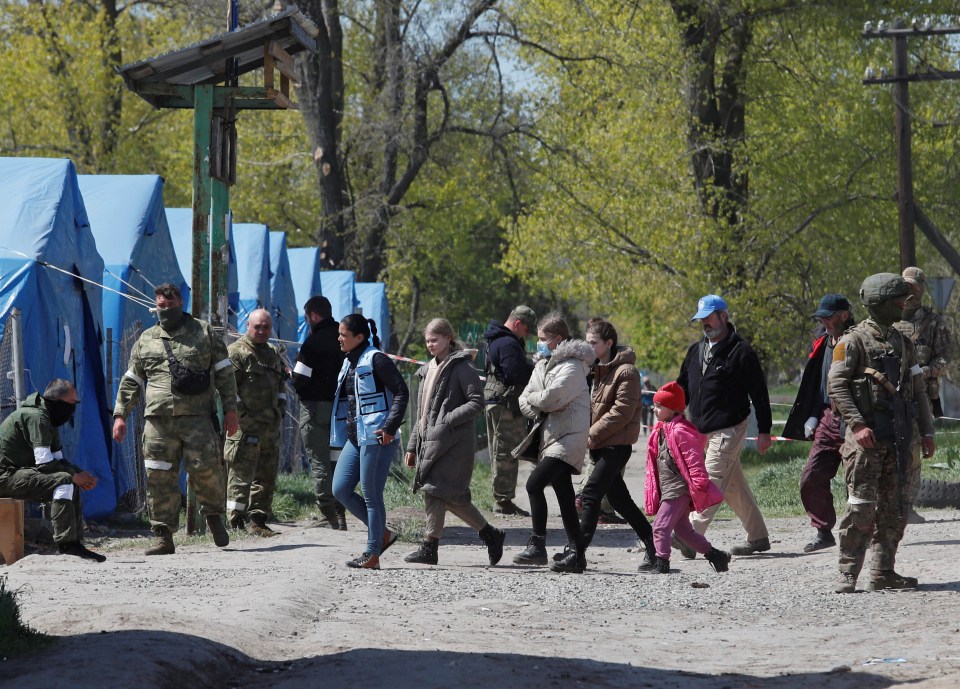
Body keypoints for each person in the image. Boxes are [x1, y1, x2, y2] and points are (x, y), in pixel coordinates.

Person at [828, 273, 936, 593]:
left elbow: (917, 391)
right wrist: (857, 425)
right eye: (898, 299)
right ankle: (848, 572)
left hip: (901, 438)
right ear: (879, 303)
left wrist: (927, 432)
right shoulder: (853, 341)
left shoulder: (903, 342)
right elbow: (836, 385)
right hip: (867, 441)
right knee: (861, 506)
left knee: (896, 507)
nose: (905, 303)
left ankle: (883, 572)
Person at [113, 283, 238, 555]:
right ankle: (163, 536)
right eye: (161, 305)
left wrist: (230, 410)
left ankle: (214, 518)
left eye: (170, 305)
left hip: (198, 418)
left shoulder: (203, 332)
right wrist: (121, 414)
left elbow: (225, 373)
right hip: (158, 421)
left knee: (207, 470)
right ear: (155, 305)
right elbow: (132, 380)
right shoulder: (146, 339)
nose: (165, 310)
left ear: (181, 303)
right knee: (159, 476)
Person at [402, 319, 506, 566]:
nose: (430, 345)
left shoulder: (462, 367)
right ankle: (490, 534)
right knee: (446, 495)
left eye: (435, 339)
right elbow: (422, 413)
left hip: (454, 443)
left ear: (448, 338)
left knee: (437, 490)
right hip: (432, 441)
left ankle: (430, 546)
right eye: (427, 340)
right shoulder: (428, 369)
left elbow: (476, 403)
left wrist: (447, 420)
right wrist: (411, 445)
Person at [676, 294, 772, 557]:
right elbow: (681, 386)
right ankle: (758, 536)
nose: (705, 323)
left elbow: (759, 393)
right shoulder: (695, 351)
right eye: (702, 319)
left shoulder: (742, 351)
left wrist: (764, 430)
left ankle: (690, 535)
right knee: (732, 485)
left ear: (723, 316)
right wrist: (668, 409)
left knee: (708, 479)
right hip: (700, 430)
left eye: (709, 317)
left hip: (730, 427)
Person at [511, 315, 594, 573]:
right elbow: (524, 400)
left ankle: (538, 546)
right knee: (565, 496)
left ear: (558, 339)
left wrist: (537, 400)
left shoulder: (573, 366)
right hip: (550, 437)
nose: (539, 344)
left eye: (543, 339)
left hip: (568, 437)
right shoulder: (542, 365)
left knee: (534, 484)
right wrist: (538, 400)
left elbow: (552, 399)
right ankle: (577, 554)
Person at [331, 314, 409, 569]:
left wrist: (389, 427)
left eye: (343, 334)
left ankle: (372, 553)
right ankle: (382, 534)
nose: (339, 338)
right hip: (356, 437)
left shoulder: (377, 359)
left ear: (359, 337)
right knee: (340, 489)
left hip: (377, 437)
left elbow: (401, 392)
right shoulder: (349, 360)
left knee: (372, 496)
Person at [576, 319, 655, 567]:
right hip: (599, 446)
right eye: (586, 342)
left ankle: (576, 554)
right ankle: (655, 547)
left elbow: (621, 411)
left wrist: (592, 433)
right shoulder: (596, 368)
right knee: (621, 502)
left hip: (615, 446)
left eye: (593, 343)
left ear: (608, 343)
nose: (588, 347)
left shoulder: (626, 372)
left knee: (589, 496)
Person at [0, 379, 104, 562]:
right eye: (72, 403)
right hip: (4, 476)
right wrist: (74, 476)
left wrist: (80, 475)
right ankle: (67, 545)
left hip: (16, 474)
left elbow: (58, 459)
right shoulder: (36, 417)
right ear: (58, 401)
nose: (73, 409)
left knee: (69, 478)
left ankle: (75, 543)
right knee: (64, 479)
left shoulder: (48, 419)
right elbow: (45, 463)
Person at [783, 294, 854, 553]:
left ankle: (858, 533)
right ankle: (823, 531)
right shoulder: (823, 343)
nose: (824, 320)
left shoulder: (858, 341)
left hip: (854, 418)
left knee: (855, 481)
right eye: (821, 316)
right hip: (827, 418)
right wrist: (813, 416)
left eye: (829, 315)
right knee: (811, 477)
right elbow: (817, 386)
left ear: (844, 315)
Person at [641, 381, 729, 574]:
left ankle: (662, 563)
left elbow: (694, 459)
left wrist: (699, 482)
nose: (654, 409)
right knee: (684, 532)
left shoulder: (680, 432)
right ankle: (716, 556)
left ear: (672, 409)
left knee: (660, 526)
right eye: (654, 405)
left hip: (678, 489)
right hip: (668, 487)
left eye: (659, 406)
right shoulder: (662, 430)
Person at [896, 266, 953, 525]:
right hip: (891, 394)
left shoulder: (933, 323)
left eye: (914, 287)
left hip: (920, 396)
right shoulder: (889, 319)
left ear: (921, 289)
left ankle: (907, 505)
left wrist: (927, 370)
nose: (909, 292)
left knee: (914, 450)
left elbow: (946, 357)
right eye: (905, 287)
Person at [225, 309, 289, 537]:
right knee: (241, 476)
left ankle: (258, 521)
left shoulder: (272, 353)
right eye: (257, 327)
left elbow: (280, 386)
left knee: (266, 476)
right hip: (246, 428)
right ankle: (234, 522)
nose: (262, 331)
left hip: (270, 427)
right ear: (248, 326)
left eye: (266, 327)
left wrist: (280, 409)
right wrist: (244, 417)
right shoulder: (236, 353)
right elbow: (229, 391)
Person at [292, 295, 347, 530]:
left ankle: (328, 513)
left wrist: (291, 376)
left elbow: (300, 380)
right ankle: (342, 511)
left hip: (316, 408)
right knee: (337, 461)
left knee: (319, 461)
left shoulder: (311, 343)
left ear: (313, 316)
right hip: (342, 409)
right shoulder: (345, 339)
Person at [482, 305, 537, 516]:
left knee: (501, 450)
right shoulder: (508, 343)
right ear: (517, 323)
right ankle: (503, 501)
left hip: (498, 401)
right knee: (506, 452)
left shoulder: (498, 340)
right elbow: (516, 374)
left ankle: (502, 498)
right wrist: (535, 368)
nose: (528, 334)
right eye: (526, 329)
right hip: (506, 404)